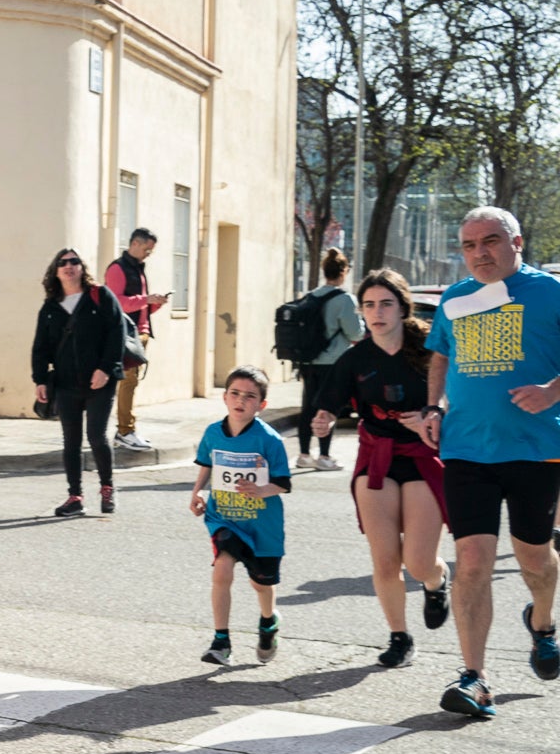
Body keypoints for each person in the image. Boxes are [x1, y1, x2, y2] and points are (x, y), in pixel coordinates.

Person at [420, 206, 560, 719]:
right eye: (470, 244)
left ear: (517, 242)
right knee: (473, 564)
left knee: (535, 562)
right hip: (466, 451)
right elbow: (439, 355)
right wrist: (433, 407)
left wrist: (552, 391)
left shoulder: (550, 292)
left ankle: (542, 623)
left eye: (492, 241)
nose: (480, 252)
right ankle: (474, 678)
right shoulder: (455, 299)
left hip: (536, 450)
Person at [310, 269, 449, 668]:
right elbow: (328, 404)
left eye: (385, 303)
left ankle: (437, 583)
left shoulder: (430, 350)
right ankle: (399, 636)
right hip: (377, 460)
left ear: (402, 308)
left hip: (422, 456)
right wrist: (323, 420)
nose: (377, 312)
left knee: (419, 562)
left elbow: (455, 398)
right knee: (386, 560)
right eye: (368, 305)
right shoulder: (355, 358)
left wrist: (432, 414)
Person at [190, 367, 293, 666]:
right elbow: (206, 465)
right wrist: (197, 492)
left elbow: (284, 484)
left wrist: (260, 489)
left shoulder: (269, 440)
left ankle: (268, 621)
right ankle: (220, 641)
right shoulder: (212, 433)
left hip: (262, 524)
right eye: (235, 393)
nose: (240, 400)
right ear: (224, 397)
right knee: (222, 569)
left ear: (262, 405)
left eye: (250, 396)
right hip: (224, 516)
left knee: (261, 584)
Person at [30, 247, 125, 516]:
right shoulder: (50, 308)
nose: (69, 266)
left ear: (82, 268)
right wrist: (40, 379)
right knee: (70, 441)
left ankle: (107, 488)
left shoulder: (99, 296)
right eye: (63, 263)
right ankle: (75, 497)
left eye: (74, 261)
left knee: (96, 436)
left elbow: (116, 333)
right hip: (66, 383)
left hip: (100, 382)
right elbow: (41, 347)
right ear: (56, 271)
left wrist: (106, 369)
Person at [295, 247, 366, 472]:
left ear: (325, 271)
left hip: (308, 361)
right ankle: (324, 456)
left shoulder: (311, 295)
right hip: (333, 362)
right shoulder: (345, 299)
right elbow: (355, 333)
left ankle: (304, 454)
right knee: (327, 408)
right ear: (343, 271)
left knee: (307, 408)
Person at [106, 228, 167, 451]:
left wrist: (154, 303)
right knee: (128, 382)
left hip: (140, 333)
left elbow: (140, 306)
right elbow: (117, 303)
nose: (149, 253)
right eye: (147, 248)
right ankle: (125, 431)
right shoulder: (117, 269)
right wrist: (145, 299)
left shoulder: (138, 269)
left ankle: (125, 431)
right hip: (125, 335)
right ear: (134, 244)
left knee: (130, 383)